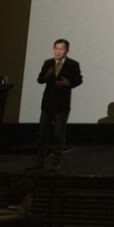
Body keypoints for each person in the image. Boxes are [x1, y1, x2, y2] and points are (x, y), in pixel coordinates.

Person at [30, 38, 83, 171]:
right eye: (56, 48)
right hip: (47, 104)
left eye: (61, 49)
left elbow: (79, 80)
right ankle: (39, 162)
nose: (58, 51)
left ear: (67, 50)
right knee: (42, 133)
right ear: (53, 49)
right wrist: (46, 76)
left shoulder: (73, 64)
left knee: (58, 134)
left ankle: (55, 163)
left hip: (62, 105)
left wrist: (68, 83)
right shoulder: (48, 63)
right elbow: (40, 80)